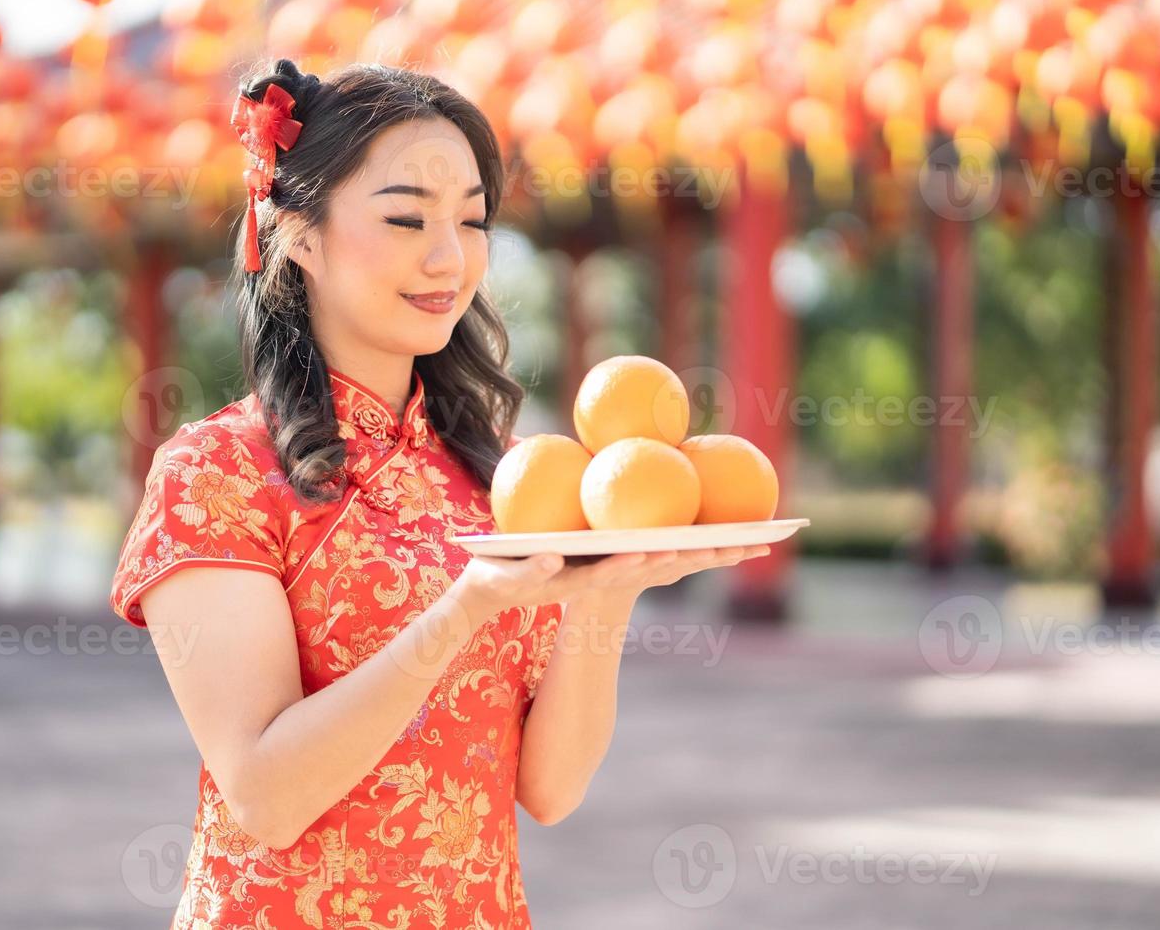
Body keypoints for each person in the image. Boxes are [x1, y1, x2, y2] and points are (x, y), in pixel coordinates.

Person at [109, 57, 769, 930]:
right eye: (407, 217)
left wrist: (609, 586)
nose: (449, 257)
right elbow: (266, 796)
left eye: (471, 220)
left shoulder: (499, 475)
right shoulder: (217, 474)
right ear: (299, 235)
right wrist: (460, 613)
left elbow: (551, 788)